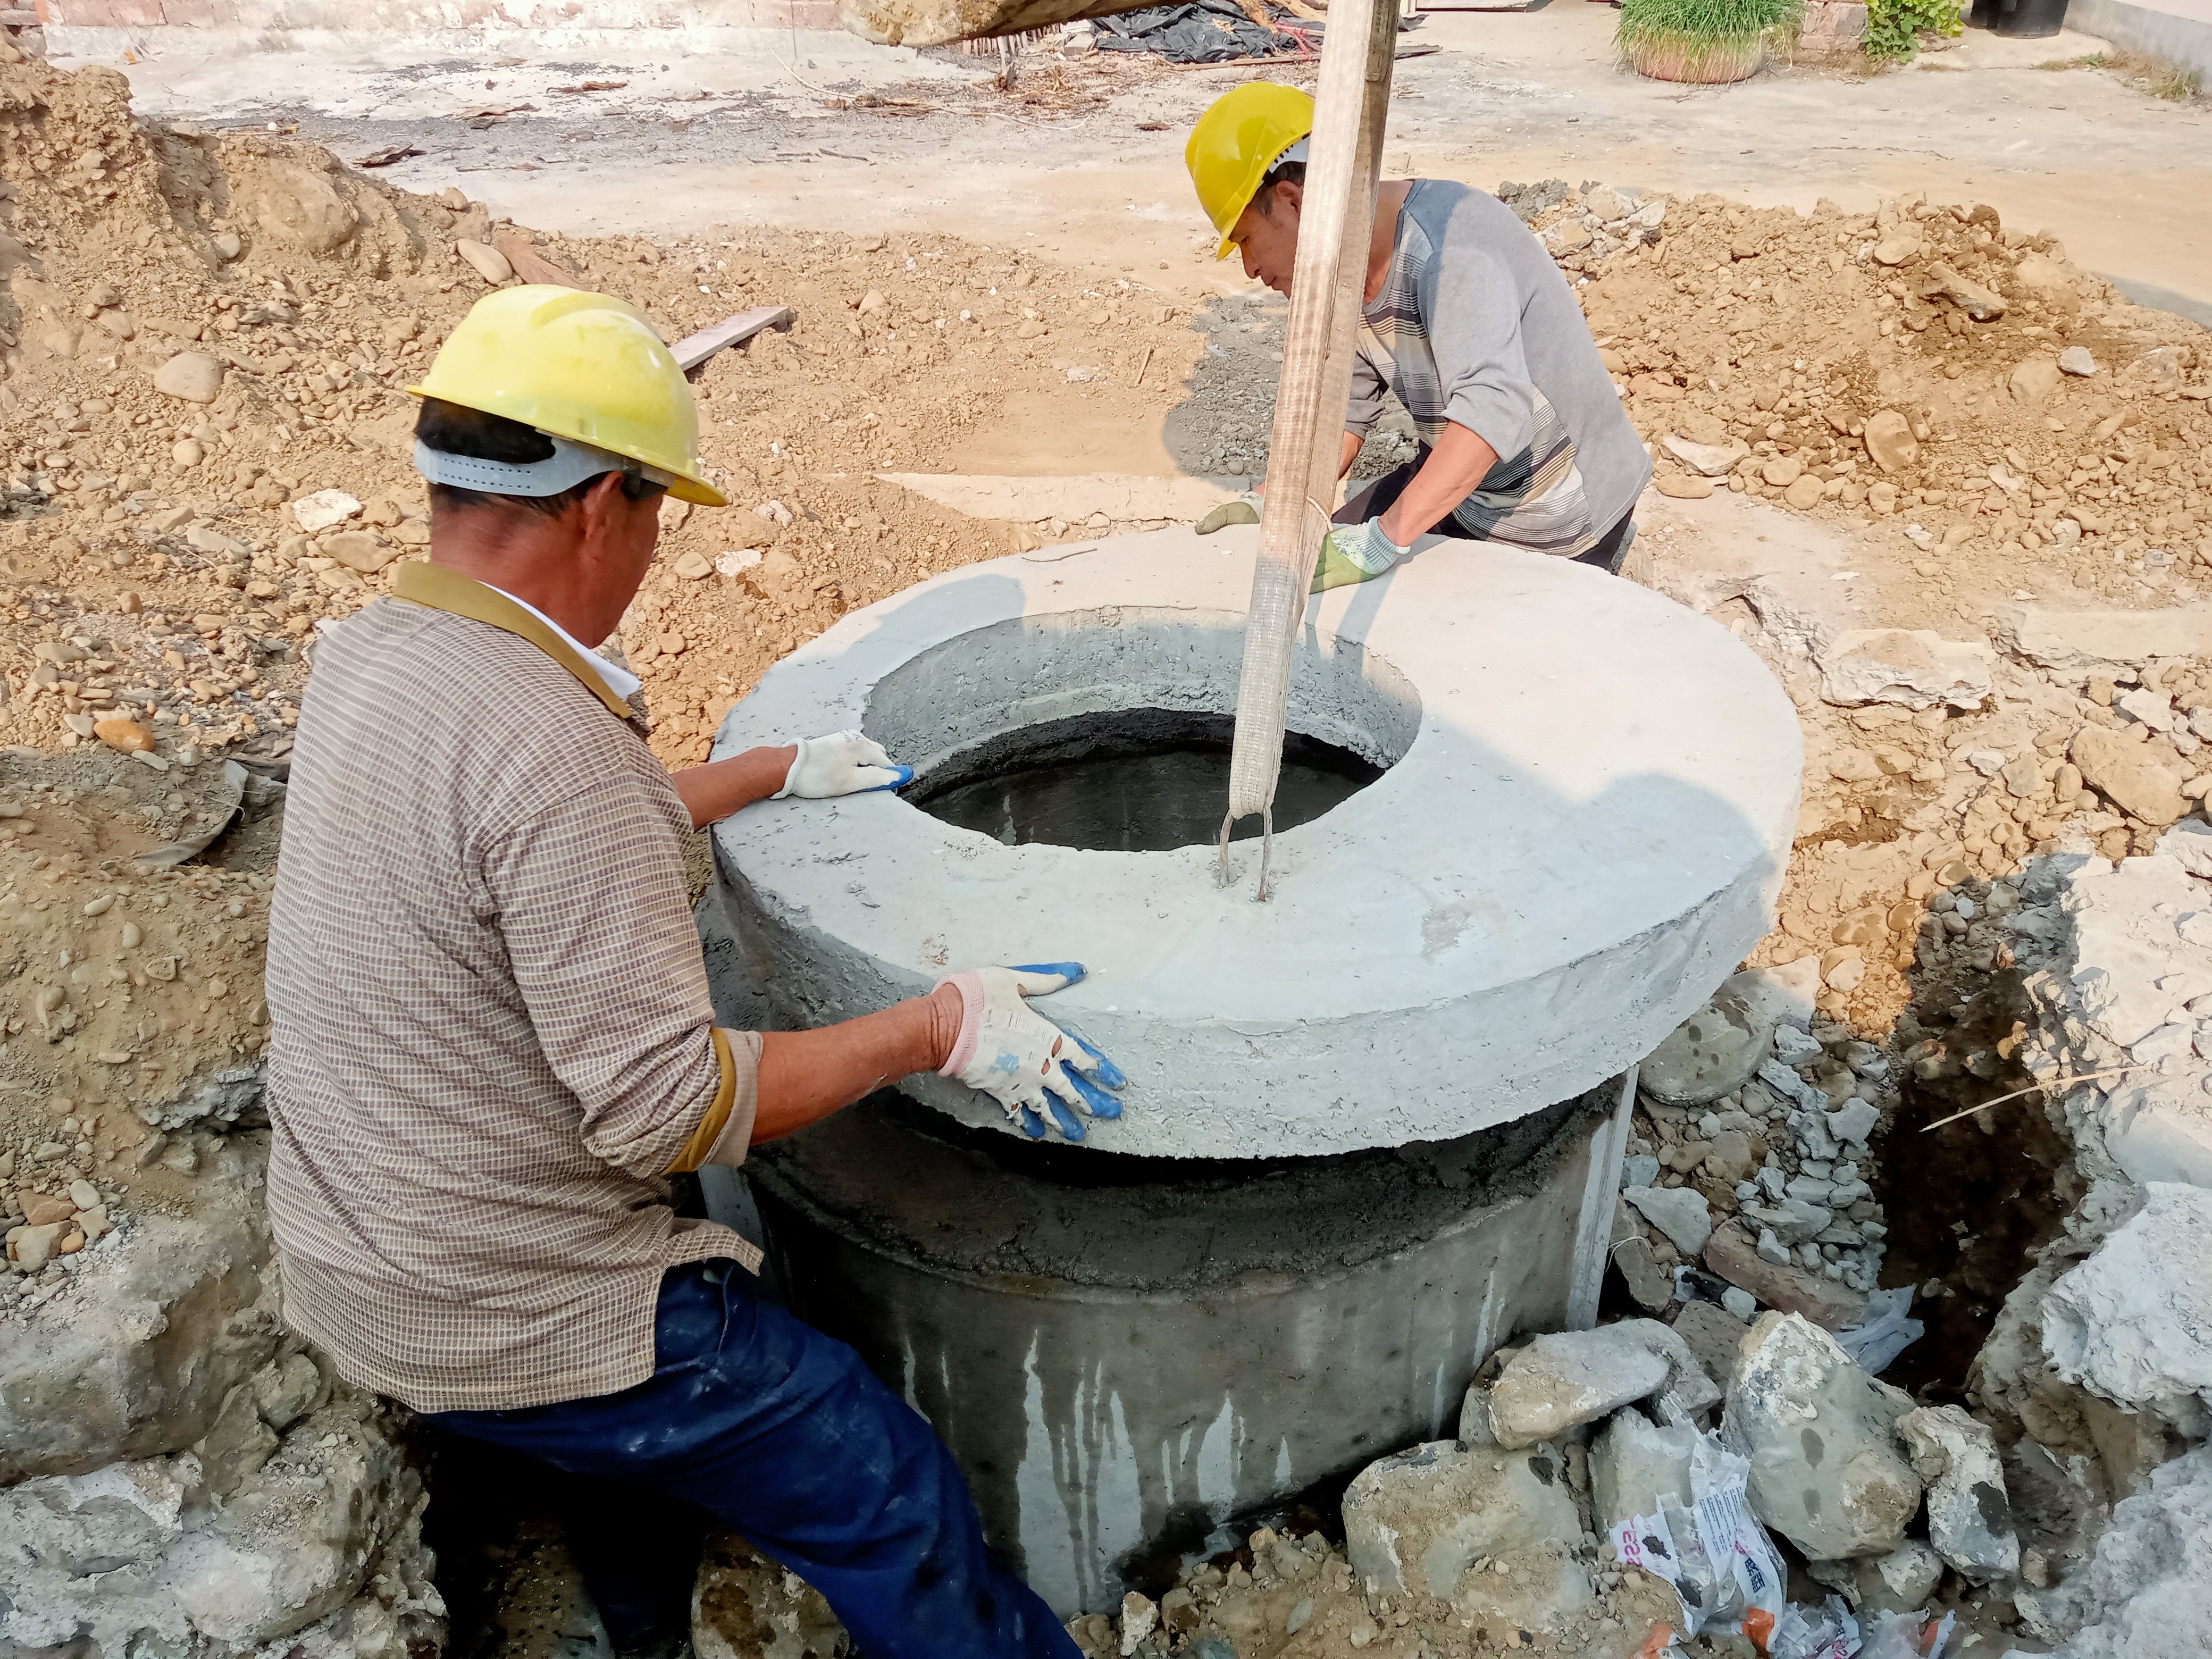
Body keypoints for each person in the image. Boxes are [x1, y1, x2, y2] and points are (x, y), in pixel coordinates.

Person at [262, 284, 1122, 1659]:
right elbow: (671, 1109)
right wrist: (935, 1028)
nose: (655, 545)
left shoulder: (375, 656)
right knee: (878, 1483)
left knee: (623, 1441)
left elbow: (520, 852)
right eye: (658, 507)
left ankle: (644, 1629)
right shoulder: (556, 752)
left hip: (359, 1256)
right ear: (603, 503)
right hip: (503, 1303)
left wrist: (768, 770)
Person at [1186, 83, 1652, 588]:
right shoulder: (1341, 270)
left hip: (1559, 509)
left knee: (1427, 620)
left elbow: (1492, 411)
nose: (1250, 268)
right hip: (1472, 489)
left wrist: (1383, 539)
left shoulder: (1451, 247)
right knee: (1305, 568)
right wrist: (1276, 499)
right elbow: (1345, 414)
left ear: (1293, 202)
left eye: (1246, 240)